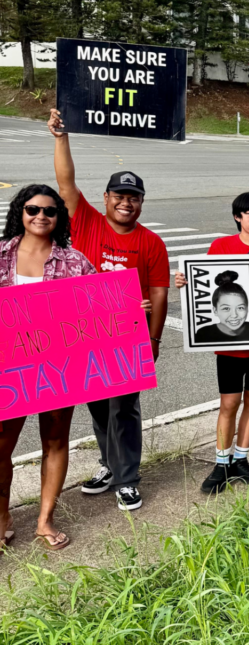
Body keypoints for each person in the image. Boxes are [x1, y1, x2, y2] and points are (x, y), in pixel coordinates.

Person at [49, 109, 169, 513]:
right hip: (84, 332)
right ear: (106, 198)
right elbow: (66, 183)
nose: (126, 202)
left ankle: (128, 478)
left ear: (141, 203)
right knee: (98, 407)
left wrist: (152, 339)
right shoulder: (85, 221)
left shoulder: (151, 242)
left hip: (127, 335)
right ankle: (109, 464)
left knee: (123, 408)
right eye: (119, 195)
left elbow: (159, 292)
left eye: (133, 197)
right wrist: (61, 137)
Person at [174, 191, 249, 494]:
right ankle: (221, 462)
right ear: (237, 217)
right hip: (230, 345)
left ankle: (241, 458)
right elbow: (204, 281)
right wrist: (185, 281)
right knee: (229, 403)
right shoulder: (221, 246)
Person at [0, 186, 98, 552]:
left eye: (50, 211)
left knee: (55, 440)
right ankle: (3, 517)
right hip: (7, 368)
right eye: (32, 209)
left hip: (59, 368)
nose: (41, 216)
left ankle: (45, 519)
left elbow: (98, 311)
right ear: (20, 212)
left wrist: (130, 310)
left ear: (60, 217)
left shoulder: (74, 261)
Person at [194, 272, 249, 343]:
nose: (234, 315)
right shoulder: (203, 334)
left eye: (240, 308)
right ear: (215, 310)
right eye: (226, 308)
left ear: (247, 309)